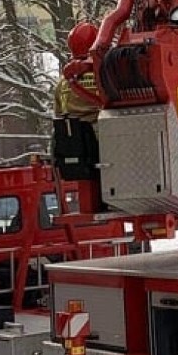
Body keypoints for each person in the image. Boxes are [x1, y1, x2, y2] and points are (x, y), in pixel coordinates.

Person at [52, 21, 104, 214]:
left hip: (74, 145)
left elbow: (58, 114)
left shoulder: (63, 83)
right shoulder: (103, 75)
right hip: (101, 141)